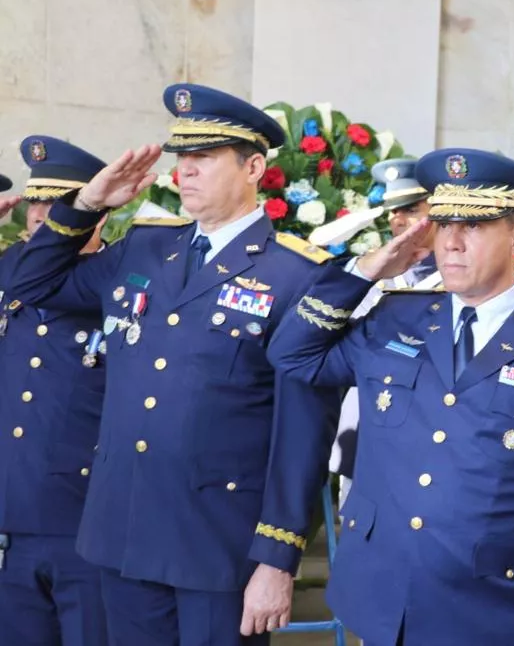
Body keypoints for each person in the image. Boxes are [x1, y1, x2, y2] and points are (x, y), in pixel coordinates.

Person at [5, 83, 342, 646]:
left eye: (204, 157)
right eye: (182, 157)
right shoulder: (144, 248)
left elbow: (300, 432)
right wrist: (88, 206)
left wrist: (277, 559)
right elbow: (32, 282)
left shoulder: (296, 276)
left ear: (254, 166)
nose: (186, 170)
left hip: (216, 549)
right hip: (122, 535)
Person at [267, 148, 514, 646]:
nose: (451, 242)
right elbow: (293, 356)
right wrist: (364, 271)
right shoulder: (395, 317)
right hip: (382, 604)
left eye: (473, 227)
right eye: (444, 223)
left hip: (492, 615)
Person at [0, 137, 109, 646]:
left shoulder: (121, 280)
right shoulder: (7, 271)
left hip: (85, 519)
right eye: (36, 201)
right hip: (12, 513)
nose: (42, 214)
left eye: (59, 203)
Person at [330, 158, 439, 509]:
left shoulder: (463, 275)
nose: (398, 219)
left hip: (434, 441)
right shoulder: (369, 272)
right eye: (393, 211)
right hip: (368, 437)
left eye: (410, 208)